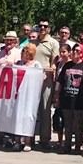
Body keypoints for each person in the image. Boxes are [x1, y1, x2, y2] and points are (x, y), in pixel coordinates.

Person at [55, 44, 83, 154]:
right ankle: (67, 145)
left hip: (79, 100)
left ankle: (78, 146)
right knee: (67, 124)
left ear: (82, 53)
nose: (75, 52)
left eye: (78, 51)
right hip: (66, 99)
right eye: (74, 50)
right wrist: (57, 95)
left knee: (78, 125)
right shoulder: (67, 65)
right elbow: (60, 81)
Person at [33, 19, 59, 150]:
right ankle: (29, 137)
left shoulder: (53, 43)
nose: (42, 28)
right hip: (31, 80)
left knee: (45, 109)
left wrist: (47, 71)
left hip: (46, 80)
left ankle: (45, 139)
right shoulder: (32, 42)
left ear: (49, 29)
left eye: (45, 26)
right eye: (40, 25)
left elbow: (54, 64)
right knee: (31, 109)